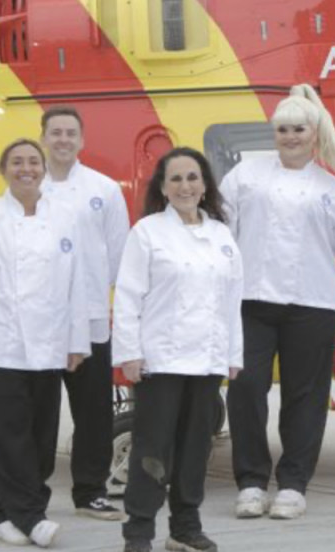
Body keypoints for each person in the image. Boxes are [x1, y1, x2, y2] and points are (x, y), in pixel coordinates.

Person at [221, 84, 335, 520]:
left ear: (315, 133)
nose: (290, 136)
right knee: (245, 390)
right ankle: (250, 481)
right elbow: (221, 235)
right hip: (251, 300)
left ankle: (294, 484)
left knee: (305, 396)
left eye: (299, 128)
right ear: (274, 133)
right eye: (282, 129)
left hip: (313, 303)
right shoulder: (244, 177)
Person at [0, 139, 91, 548]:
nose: (25, 168)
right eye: (16, 161)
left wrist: (76, 339)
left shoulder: (64, 218)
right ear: (4, 169)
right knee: (8, 437)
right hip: (0, 346)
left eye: (32, 161)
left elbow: (75, 283)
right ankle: (32, 517)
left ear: (43, 169)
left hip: (48, 347)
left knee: (41, 440)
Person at [113, 147, 243, 552]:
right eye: (176, 179)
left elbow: (231, 300)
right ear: (163, 188)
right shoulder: (147, 232)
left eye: (192, 177)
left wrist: (233, 355)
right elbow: (129, 297)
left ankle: (185, 528)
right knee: (152, 449)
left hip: (206, 361)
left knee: (195, 448)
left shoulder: (221, 235)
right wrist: (129, 353)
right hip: (160, 360)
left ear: (205, 185)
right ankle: (139, 531)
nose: (185, 186)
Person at [40, 105, 130, 521]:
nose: (62, 139)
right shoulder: (27, 188)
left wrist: (89, 293)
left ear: (82, 140)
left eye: (70, 133)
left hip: (91, 318)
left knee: (93, 411)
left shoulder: (105, 189)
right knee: (37, 412)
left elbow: (119, 256)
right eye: (55, 132)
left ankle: (90, 491)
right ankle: (28, 494)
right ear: (44, 138)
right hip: (38, 321)